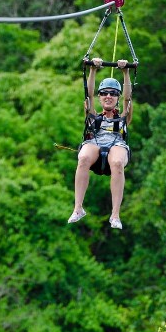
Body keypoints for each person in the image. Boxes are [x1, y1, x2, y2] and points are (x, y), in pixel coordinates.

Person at [68, 57, 133, 229]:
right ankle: (78, 208)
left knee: (118, 163)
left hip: (117, 144)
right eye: (104, 93)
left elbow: (128, 99)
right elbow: (88, 94)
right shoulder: (93, 114)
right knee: (82, 157)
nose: (108, 96)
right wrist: (93, 70)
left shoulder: (123, 117)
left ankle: (115, 214)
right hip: (95, 143)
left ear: (117, 97)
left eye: (113, 93)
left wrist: (126, 72)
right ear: (100, 96)